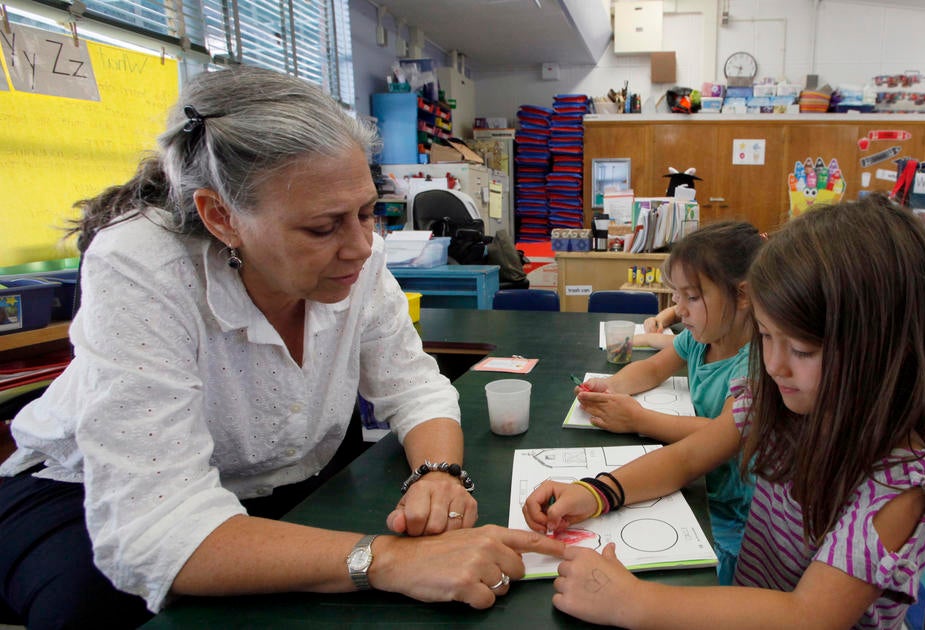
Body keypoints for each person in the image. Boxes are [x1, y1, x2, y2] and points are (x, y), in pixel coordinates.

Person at [0, 67, 560, 629]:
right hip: (86, 498)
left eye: (368, 213)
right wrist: (389, 558)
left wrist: (437, 472)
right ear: (221, 217)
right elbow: (159, 528)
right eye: (323, 228)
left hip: (278, 483)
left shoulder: (357, 257)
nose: (361, 247)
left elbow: (412, 385)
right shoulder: (141, 263)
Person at [526, 195, 925, 628]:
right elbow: (687, 458)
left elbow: (808, 616)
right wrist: (598, 492)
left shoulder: (896, 483)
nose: (773, 365)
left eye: (802, 350)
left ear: (885, 352)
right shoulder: (777, 399)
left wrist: (633, 602)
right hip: (748, 597)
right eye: (767, 337)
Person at [574, 220, 763, 585]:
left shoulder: (755, 360)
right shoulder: (699, 338)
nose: (680, 310)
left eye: (691, 297)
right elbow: (651, 370)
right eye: (676, 297)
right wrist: (609, 386)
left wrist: (640, 420)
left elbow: (723, 432)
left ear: (742, 295)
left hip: (731, 513)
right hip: (696, 483)